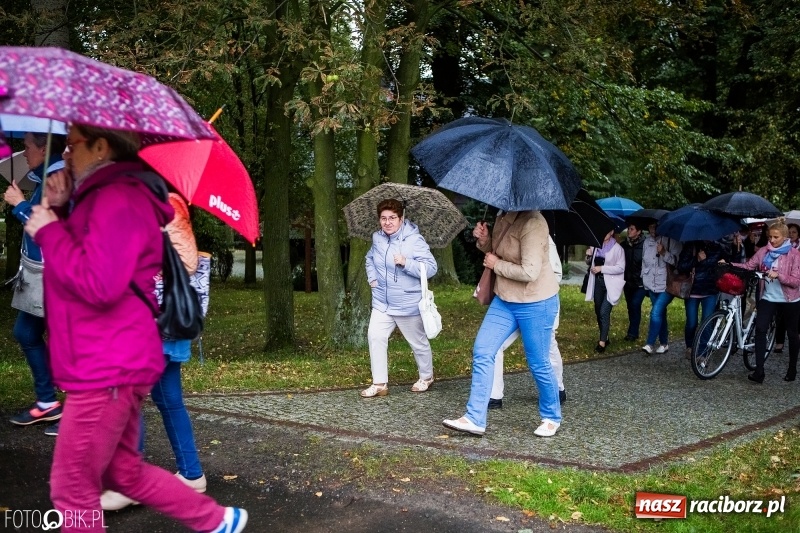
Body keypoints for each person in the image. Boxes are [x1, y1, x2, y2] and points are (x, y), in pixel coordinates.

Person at [25, 124, 247, 533]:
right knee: (123, 473)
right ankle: (218, 522)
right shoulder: (101, 198)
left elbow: (100, 286)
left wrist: (50, 231)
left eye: (73, 146)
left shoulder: (117, 199)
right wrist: (57, 211)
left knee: (73, 486)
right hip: (109, 357)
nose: (67, 155)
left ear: (101, 147)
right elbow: (83, 264)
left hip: (106, 364)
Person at [100, 193, 211, 511]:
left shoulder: (160, 204)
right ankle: (191, 474)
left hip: (154, 321)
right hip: (164, 321)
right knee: (168, 399)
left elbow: (181, 262)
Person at [443, 211, 561, 437]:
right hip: (505, 299)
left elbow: (530, 271)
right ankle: (475, 417)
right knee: (483, 350)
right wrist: (485, 240)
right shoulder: (502, 216)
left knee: (538, 362)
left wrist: (496, 265)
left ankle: (551, 416)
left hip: (536, 301)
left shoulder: (534, 223)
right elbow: (496, 253)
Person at [6, 132, 66, 435]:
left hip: (53, 275)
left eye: (28, 145)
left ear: (43, 147)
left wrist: (19, 205)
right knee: (26, 332)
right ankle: (47, 402)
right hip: (39, 274)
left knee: (61, 342)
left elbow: (51, 227)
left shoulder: (58, 179)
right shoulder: (46, 176)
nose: (24, 150)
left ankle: (66, 409)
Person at [362, 198, 438, 398]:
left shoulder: (414, 240)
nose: (387, 222)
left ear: (401, 219)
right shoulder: (377, 238)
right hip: (381, 302)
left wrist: (406, 262)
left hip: (407, 303)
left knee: (418, 342)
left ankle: (426, 376)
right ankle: (379, 383)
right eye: (383, 218)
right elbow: (369, 258)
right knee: (375, 337)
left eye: (392, 218)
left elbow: (431, 268)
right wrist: (372, 278)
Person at [489, 235, 566, 408]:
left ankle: (558, 389)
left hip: (539, 302)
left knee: (547, 346)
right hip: (510, 300)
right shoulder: (506, 230)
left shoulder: (539, 233)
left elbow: (555, 275)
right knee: (494, 344)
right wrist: (484, 240)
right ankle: (493, 395)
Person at [726, 220, 800, 383]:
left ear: (785, 237)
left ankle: (792, 368)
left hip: (790, 299)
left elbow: (796, 281)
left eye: (776, 237)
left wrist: (778, 275)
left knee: (792, 333)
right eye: (770, 237)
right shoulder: (764, 251)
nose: (772, 240)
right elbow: (749, 266)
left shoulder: (794, 254)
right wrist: (729, 264)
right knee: (760, 329)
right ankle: (759, 371)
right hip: (767, 297)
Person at [676, 238, 731, 358]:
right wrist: (696, 259)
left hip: (710, 290)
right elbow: (681, 266)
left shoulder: (718, 247)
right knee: (691, 323)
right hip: (693, 290)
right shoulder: (691, 245)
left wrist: (734, 252)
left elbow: (730, 261)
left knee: (707, 323)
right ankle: (690, 346)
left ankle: (702, 353)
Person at [641, 222, 682, 354]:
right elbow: (644, 262)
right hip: (651, 284)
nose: (652, 229)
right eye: (650, 226)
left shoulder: (672, 241)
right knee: (660, 313)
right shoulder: (647, 242)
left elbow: (677, 262)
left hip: (667, 284)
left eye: (655, 226)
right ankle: (664, 343)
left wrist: (664, 253)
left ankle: (650, 344)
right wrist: (644, 278)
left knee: (655, 312)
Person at [585, 229, 626, 353]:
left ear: (612, 232)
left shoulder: (618, 248)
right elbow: (589, 263)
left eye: (607, 232)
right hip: (597, 282)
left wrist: (602, 268)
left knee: (604, 311)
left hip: (611, 284)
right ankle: (605, 336)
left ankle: (602, 342)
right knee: (598, 310)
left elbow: (620, 268)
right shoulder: (595, 246)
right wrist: (588, 256)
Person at [621, 223, 646, 341]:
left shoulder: (645, 245)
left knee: (635, 304)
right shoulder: (624, 245)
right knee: (630, 306)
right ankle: (633, 330)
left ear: (638, 231)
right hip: (627, 282)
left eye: (632, 229)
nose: (629, 231)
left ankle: (633, 332)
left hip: (640, 282)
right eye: (628, 229)